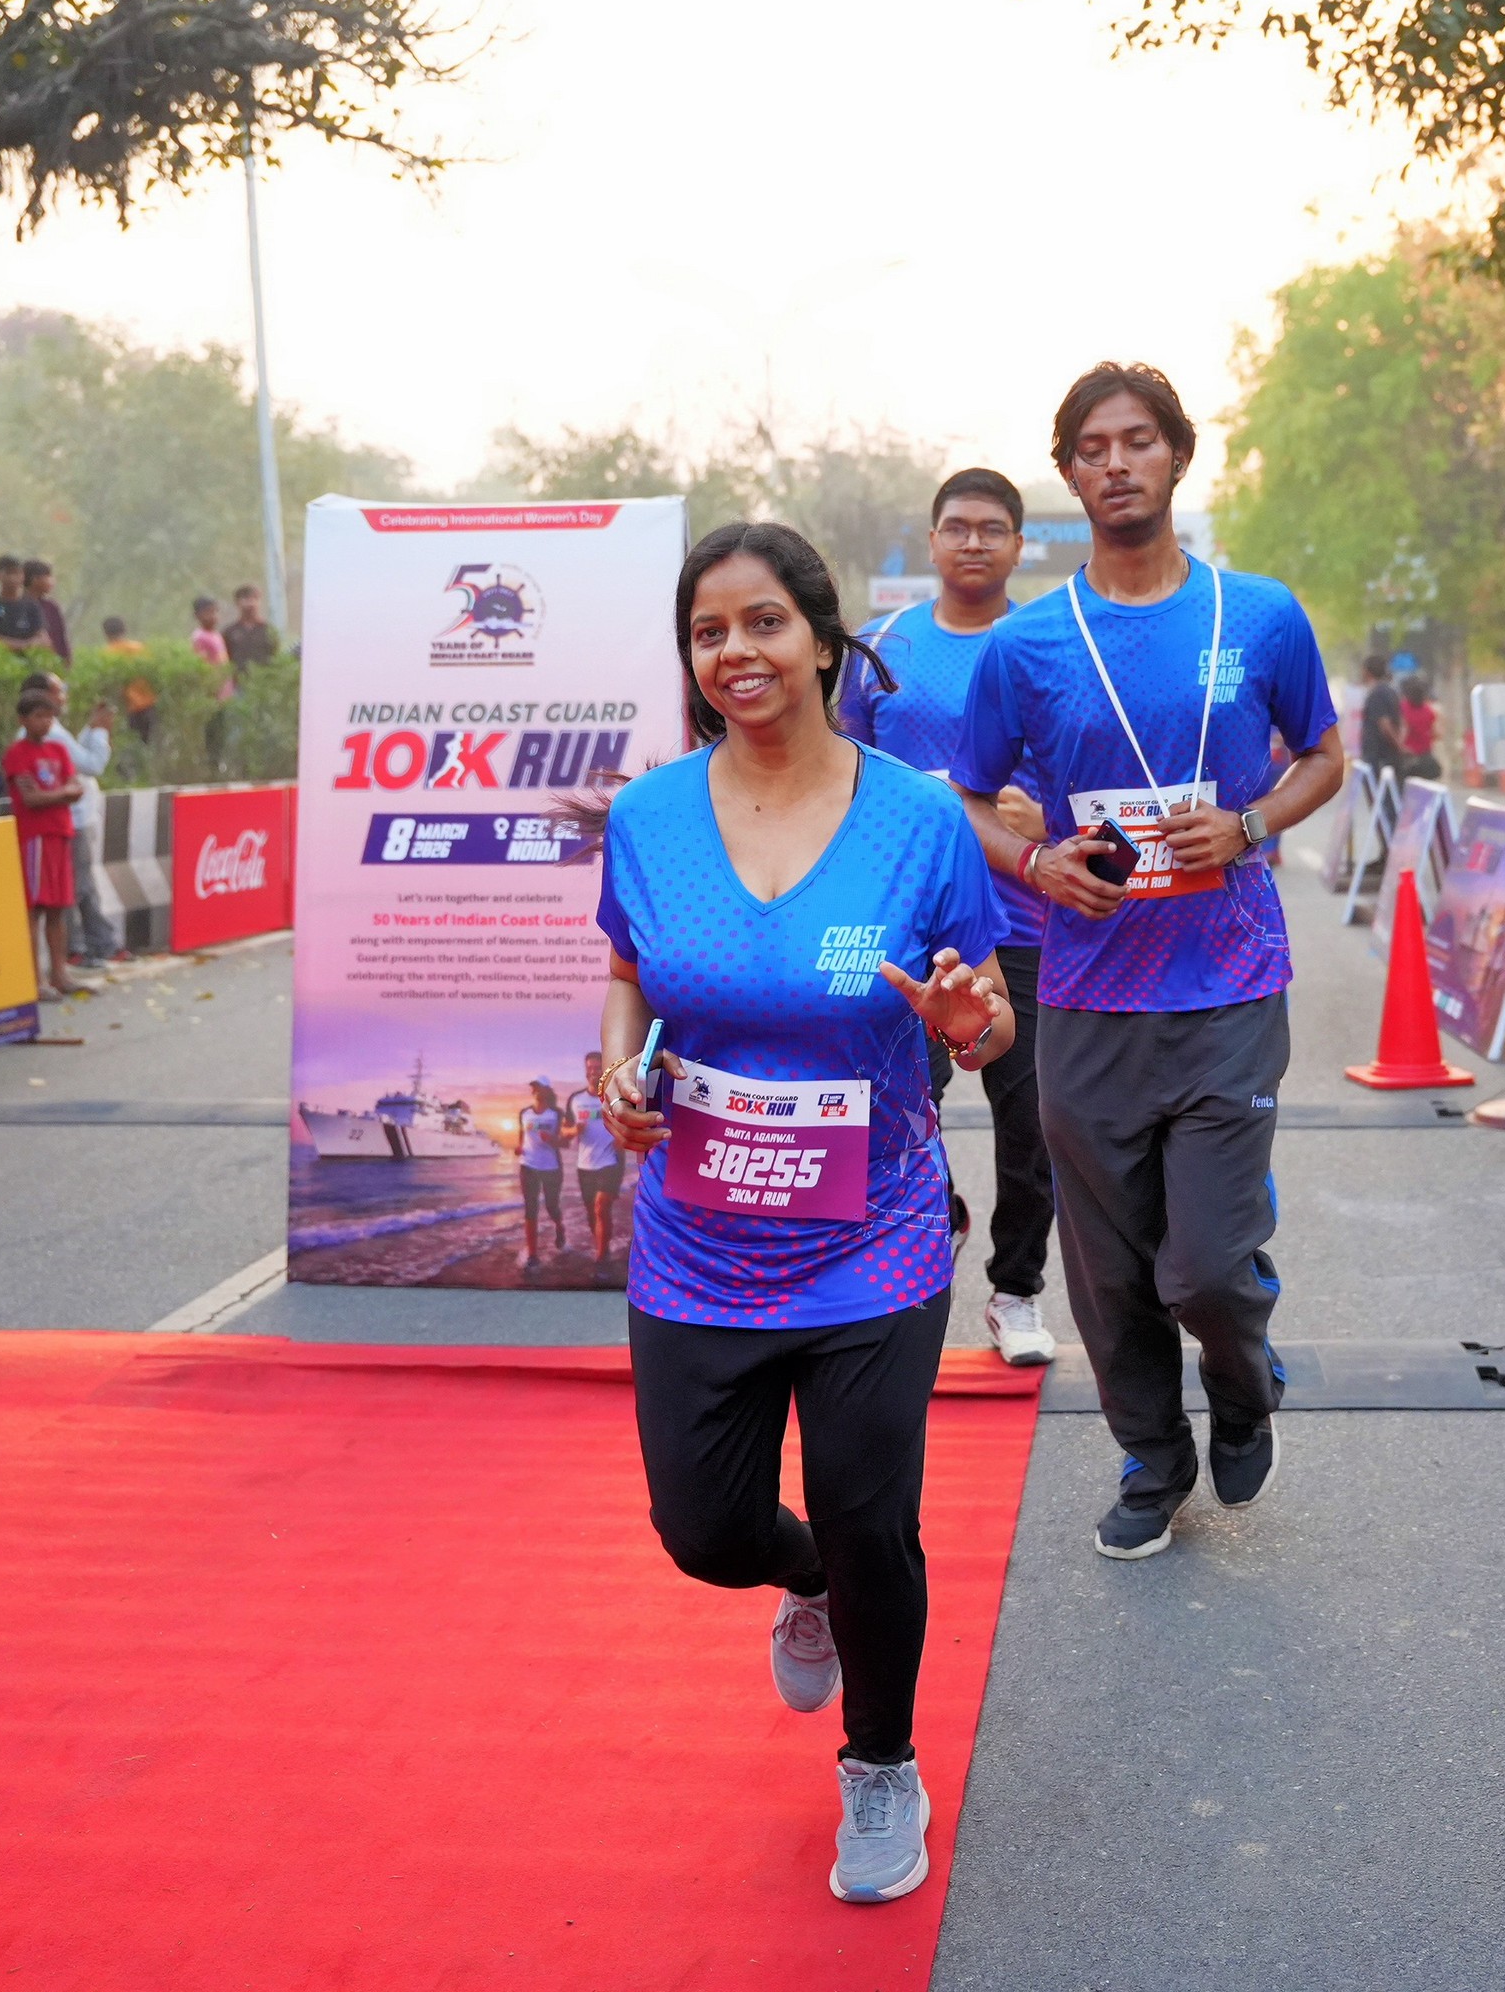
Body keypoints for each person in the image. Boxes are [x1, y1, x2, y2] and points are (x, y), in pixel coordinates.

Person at [594, 520, 1012, 1905]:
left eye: (764, 621)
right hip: (697, 1242)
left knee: (872, 1515)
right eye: (709, 631)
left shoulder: (918, 820)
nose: (737, 651)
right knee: (704, 1529)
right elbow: (628, 973)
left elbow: (987, 1021)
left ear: (825, 642)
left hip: (873, 1241)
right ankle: (807, 1576)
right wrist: (619, 1070)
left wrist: (964, 1022)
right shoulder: (651, 816)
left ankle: (881, 1763)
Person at [954, 360, 1347, 1561]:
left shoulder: (1259, 614)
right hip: (1084, 992)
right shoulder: (1027, 645)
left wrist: (1250, 824)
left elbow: (1323, 756)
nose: (1116, 462)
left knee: (1209, 1264)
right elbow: (970, 795)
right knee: (1110, 1265)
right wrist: (1036, 866)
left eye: (1137, 440)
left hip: (1230, 981)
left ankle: (1241, 1379)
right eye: (1092, 447)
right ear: (1069, 475)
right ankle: (1151, 1454)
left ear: (1177, 454)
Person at [835, 466, 1059, 1366]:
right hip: (910, 932)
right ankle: (919, 1245)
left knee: (1031, 1124)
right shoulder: (879, 647)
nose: (973, 542)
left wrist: (1051, 824)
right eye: (957, 527)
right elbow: (840, 778)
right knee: (899, 1109)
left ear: (1018, 546)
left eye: (992, 529)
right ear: (931, 541)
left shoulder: (1046, 644)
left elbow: (1088, 773)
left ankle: (1016, 1291)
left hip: (1026, 926)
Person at [21, 670, 126, 968]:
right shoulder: (48, 736)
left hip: (73, 819)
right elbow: (90, 765)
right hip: (66, 822)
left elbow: (75, 763)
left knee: (81, 887)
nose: (64, 697)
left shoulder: (54, 734)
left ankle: (97, 944)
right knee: (75, 889)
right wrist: (99, 733)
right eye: (59, 691)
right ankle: (79, 948)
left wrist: (92, 730)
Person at [2, 688, 85, 996]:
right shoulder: (17, 753)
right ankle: (34, 979)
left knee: (57, 908)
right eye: (39, 716)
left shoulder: (59, 750)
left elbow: (77, 788)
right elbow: (31, 798)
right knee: (34, 909)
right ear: (23, 719)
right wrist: (63, 793)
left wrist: (54, 794)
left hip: (60, 833)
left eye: (49, 716)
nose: (45, 722)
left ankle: (59, 973)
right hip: (34, 838)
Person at [566, 1049, 624, 1260]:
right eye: (589, 1068)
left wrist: (622, 1137)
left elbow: (629, 1123)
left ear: (604, 1069)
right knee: (592, 1212)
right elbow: (564, 1130)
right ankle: (603, 1245)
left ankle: (601, 1258)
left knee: (601, 1207)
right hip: (585, 1165)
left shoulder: (614, 1097)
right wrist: (573, 1131)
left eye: (597, 1068)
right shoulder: (575, 1099)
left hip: (610, 1161)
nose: (593, 1072)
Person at [515, 1076, 567, 1268]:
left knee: (552, 1206)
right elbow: (522, 1138)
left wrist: (552, 1140)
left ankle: (559, 1227)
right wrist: (519, 1148)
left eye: (539, 1087)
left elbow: (565, 1142)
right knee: (530, 1209)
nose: (535, 1090)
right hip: (528, 1166)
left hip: (551, 1167)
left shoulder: (557, 1114)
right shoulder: (524, 1113)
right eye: (533, 1087)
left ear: (547, 1090)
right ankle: (532, 1255)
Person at [103, 617, 159, 744]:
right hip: (149, 703)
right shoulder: (139, 648)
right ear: (124, 630)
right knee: (150, 743)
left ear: (106, 633)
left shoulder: (107, 654)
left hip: (129, 708)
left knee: (133, 743)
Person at [0, 555, 46, 651]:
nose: (13, 578)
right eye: (9, 573)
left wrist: (30, 645)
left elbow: (41, 638)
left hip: (27, 659)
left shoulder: (32, 606)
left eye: (17, 573)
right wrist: (24, 645)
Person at [1355, 653, 1406, 781]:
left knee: (1377, 790)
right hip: (1388, 755)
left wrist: (1398, 745)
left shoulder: (1377, 694)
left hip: (1378, 755)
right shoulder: (1391, 691)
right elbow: (1402, 721)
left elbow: (1384, 723)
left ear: (1367, 671)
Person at [223, 585, 280, 674]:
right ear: (237, 603)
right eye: (246, 599)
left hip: (263, 679)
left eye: (254, 598)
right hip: (238, 679)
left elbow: (275, 658)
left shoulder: (269, 630)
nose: (251, 603)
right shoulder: (229, 632)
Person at [1399, 670, 1443, 780]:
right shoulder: (1429, 711)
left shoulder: (1402, 708)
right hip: (1425, 756)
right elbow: (1437, 733)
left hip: (1408, 757)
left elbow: (1403, 732)